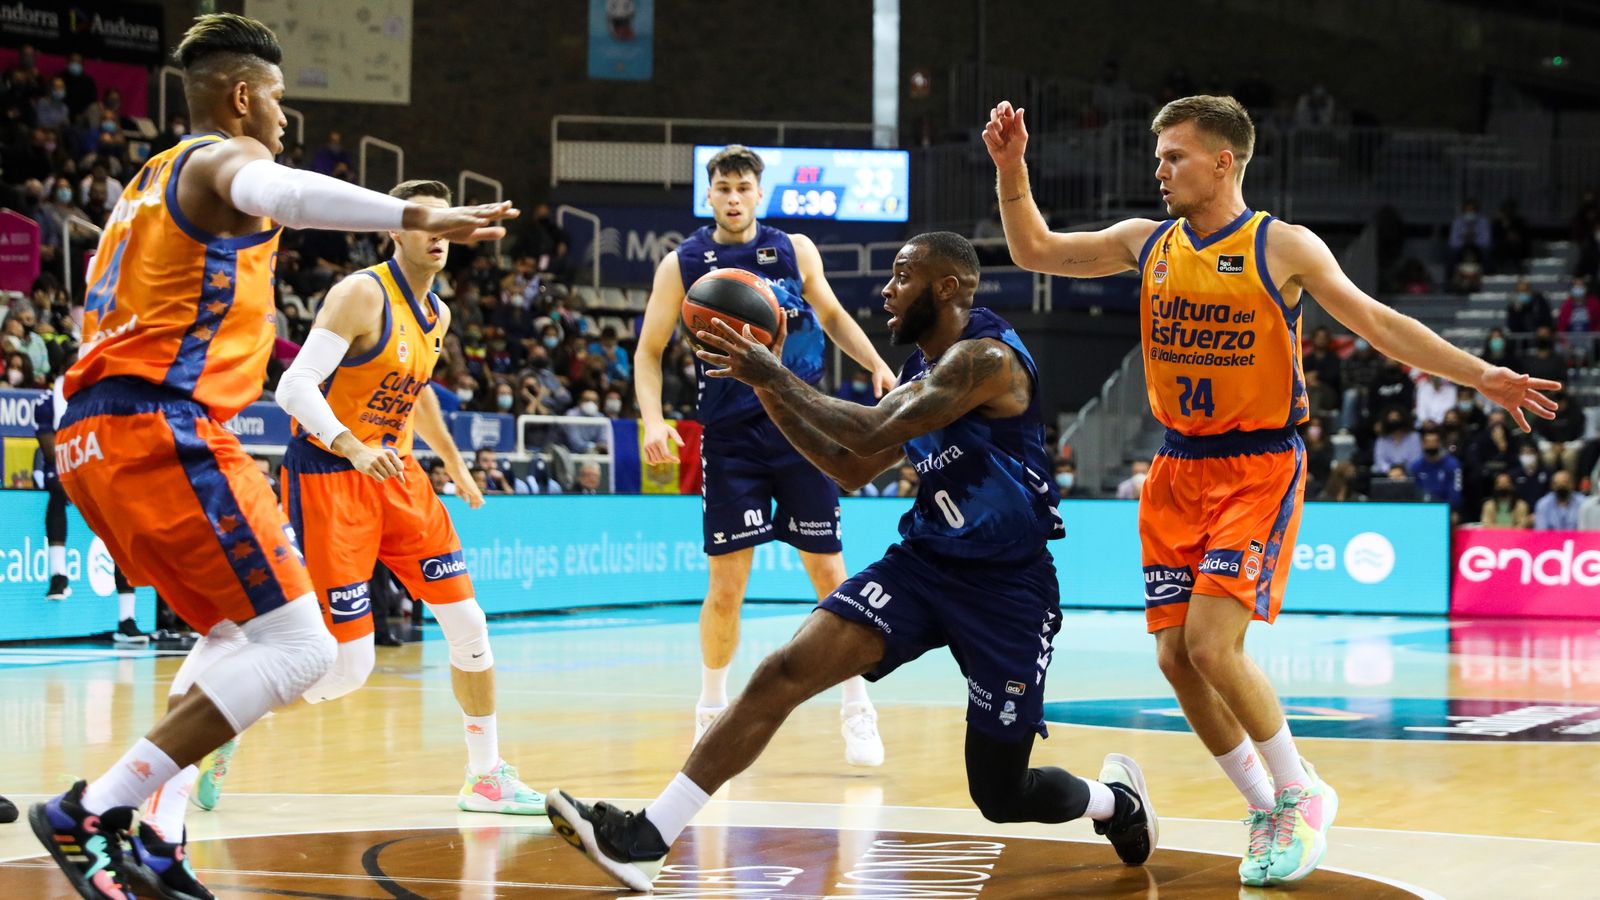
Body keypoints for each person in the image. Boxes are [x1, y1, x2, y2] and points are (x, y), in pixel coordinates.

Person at [984, 94, 1558, 886]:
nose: (1159, 169)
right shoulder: (1143, 242)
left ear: (1223, 162)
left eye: (1174, 155)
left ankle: (1300, 788)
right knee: (1176, 660)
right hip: (1177, 467)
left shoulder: (1280, 245)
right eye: (1158, 156)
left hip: (1258, 463)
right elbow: (1035, 250)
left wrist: (1480, 374)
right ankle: (1263, 804)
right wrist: (1012, 169)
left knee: (1213, 644)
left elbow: (1375, 321)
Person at [26, 16, 515, 900]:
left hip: (93, 430)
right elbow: (283, 192)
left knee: (235, 637)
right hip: (162, 422)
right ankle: (91, 812)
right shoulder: (217, 161)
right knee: (300, 649)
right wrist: (414, 211)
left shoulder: (145, 179)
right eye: (282, 99)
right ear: (244, 94)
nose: (288, 118)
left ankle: (161, 840)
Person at [546, 233, 1158, 891]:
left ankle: (1115, 804)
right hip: (924, 566)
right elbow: (851, 464)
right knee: (783, 670)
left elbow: (866, 431)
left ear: (946, 287)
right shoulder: (929, 374)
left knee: (1000, 793)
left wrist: (772, 373)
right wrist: (767, 388)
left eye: (900, 277)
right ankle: (648, 835)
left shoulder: (984, 360)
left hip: (1008, 590)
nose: (886, 292)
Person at [272, 178, 541, 818]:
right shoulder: (362, 293)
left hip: (398, 477)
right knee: (348, 668)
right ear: (396, 229)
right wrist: (352, 446)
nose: (439, 233)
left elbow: (414, 392)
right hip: (331, 476)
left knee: (469, 625)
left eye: (447, 222)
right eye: (426, 221)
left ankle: (485, 777)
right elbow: (294, 387)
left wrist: (455, 465)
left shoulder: (439, 314)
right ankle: (224, 721)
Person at [629, 144, 898, 763]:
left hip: (801, 429)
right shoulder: (684, 263)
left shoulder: (795, 249)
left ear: (759, 193)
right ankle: (711, 709)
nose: (732, 197)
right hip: (730, 438)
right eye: (722, 187)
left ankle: (857, 706)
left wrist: (877, 364)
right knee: (727, 587)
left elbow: (830, 314)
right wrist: (652, 418)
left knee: (830, 574)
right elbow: (648, 350)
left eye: (743, 187)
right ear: (709, 194)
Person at [32, 376, 146, 643]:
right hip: (63, 471)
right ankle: (58, 575)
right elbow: (51, 452)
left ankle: (126, 620)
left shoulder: (105, 403)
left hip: (97, 471)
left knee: (122, 528)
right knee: (59, 491)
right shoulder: (48, 401)